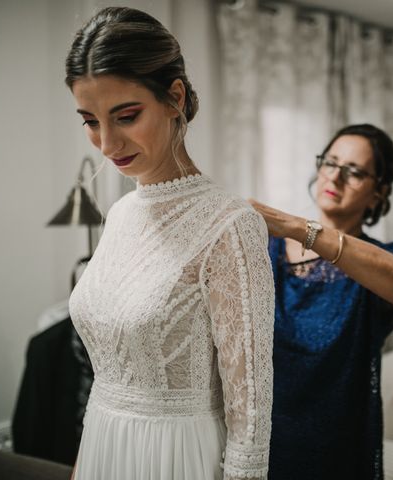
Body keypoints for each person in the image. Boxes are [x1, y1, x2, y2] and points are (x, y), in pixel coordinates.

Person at [65, 7, 274, 480]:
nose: (106, 142)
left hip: (177, 457)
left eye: (126, 116)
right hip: (103, 444)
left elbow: (252, 408)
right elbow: (105, 379)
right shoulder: (119, 214)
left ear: (174, 98)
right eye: (90, 120)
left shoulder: (230, 225)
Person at [249, 124, 393, 480]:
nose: (336, 177)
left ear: (378, 193)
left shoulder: (382, 261)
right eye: (330, 163)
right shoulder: (266, 250)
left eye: (354, 171)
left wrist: (298, 227)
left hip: (339, 447)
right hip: (262, 439)